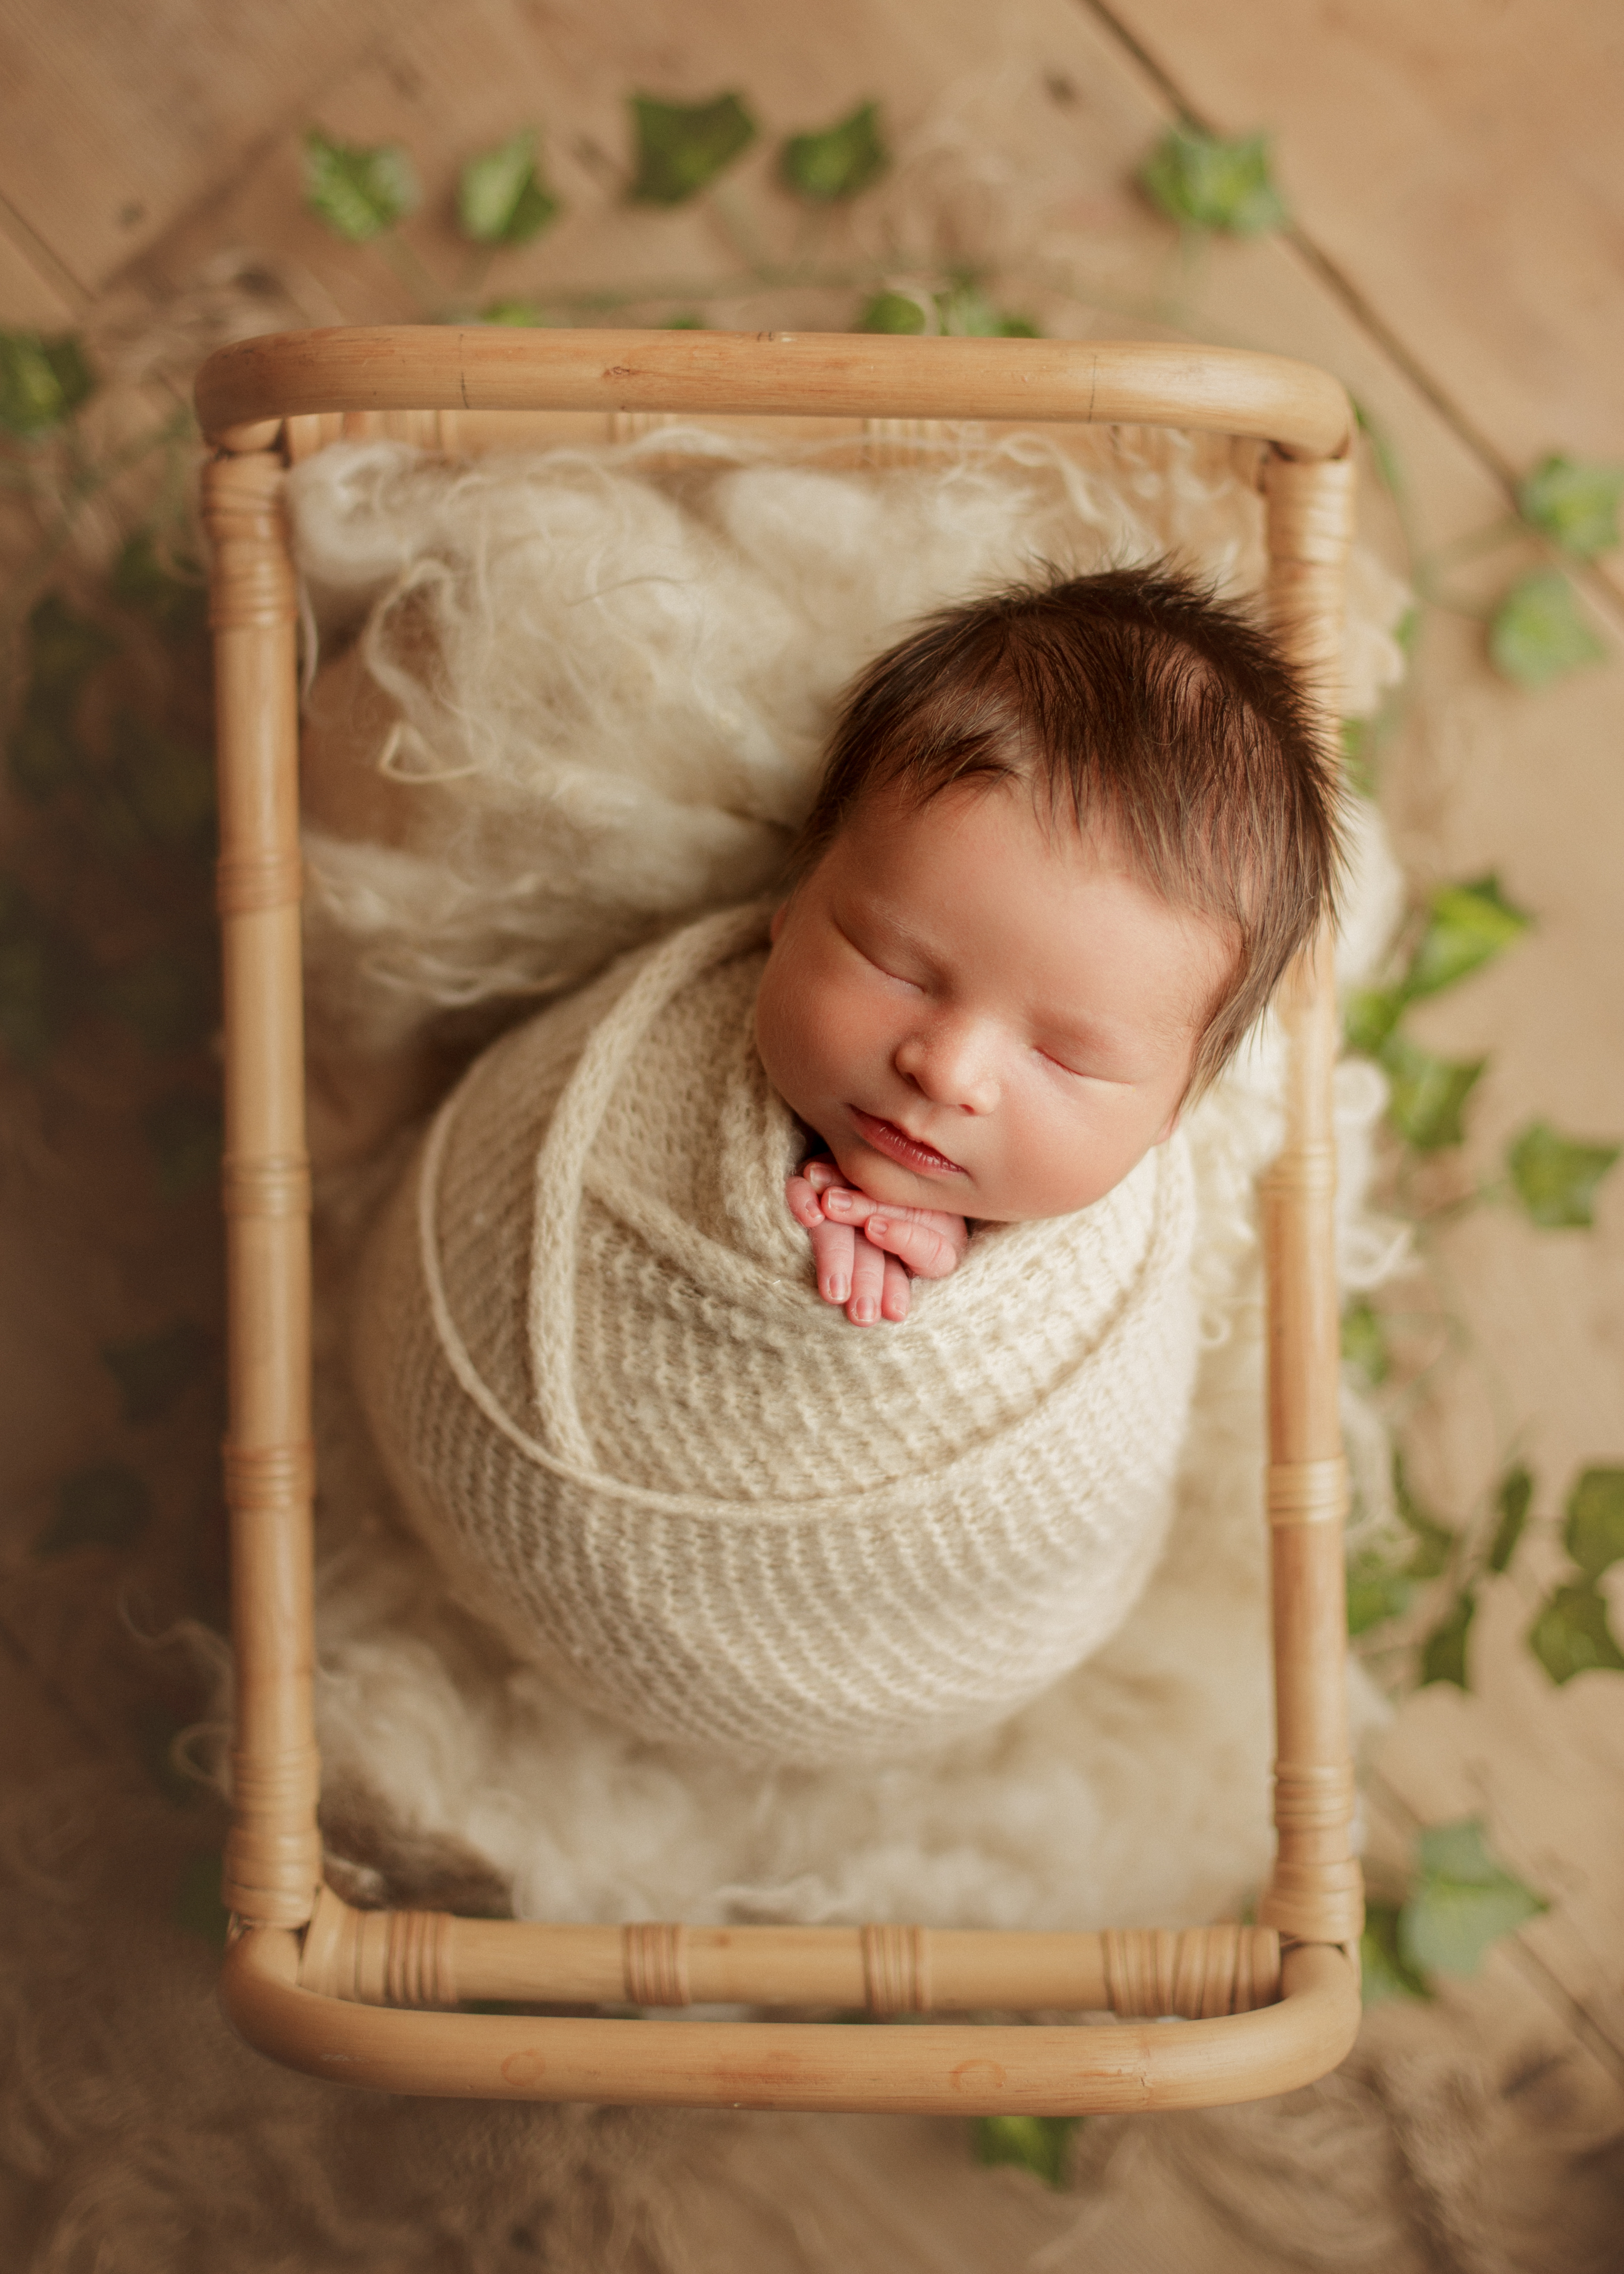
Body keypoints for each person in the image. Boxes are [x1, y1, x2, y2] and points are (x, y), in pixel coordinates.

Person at [764, 562, 1340, 1323]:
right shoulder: (690, 1040)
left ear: (1174, 1103)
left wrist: (952, 1281)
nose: (946, 1072)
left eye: (1063, 1055)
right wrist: (782, 1215)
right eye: (894, 965)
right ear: (794, 898)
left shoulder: (1111, 1281)